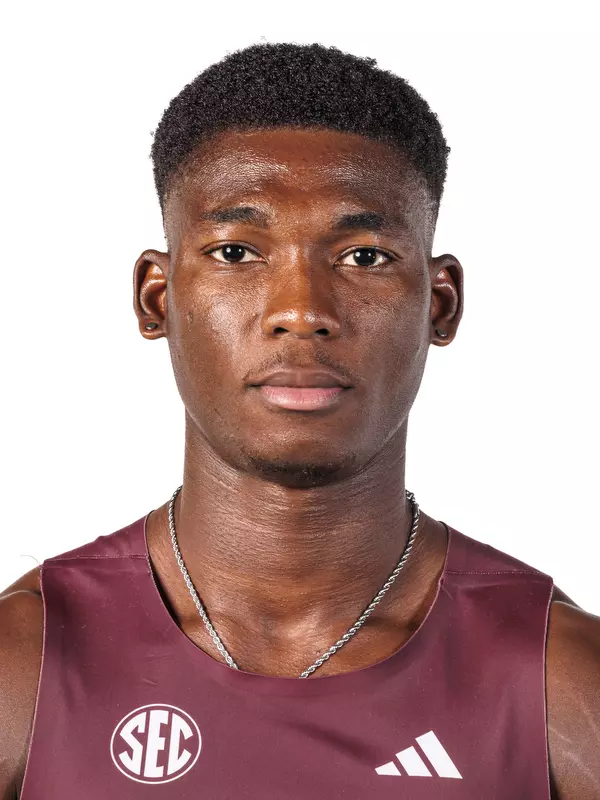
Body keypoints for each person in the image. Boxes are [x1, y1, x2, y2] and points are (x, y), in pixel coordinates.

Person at [1, 42, 598, 800]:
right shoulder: (25, 665)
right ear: (157, 298)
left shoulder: (559, 683)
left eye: (364, 258)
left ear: (440, 304)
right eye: (236, 251)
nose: (301, 311)